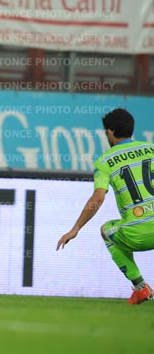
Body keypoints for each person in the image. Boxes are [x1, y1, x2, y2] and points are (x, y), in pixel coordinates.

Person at [57, 108, 154, 304]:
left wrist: (76, 228)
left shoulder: (105, 161)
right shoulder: (151, 148)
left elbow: (98, 197)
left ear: (110, 132)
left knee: (106, 230)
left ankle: (140, 287)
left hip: (138, 235)